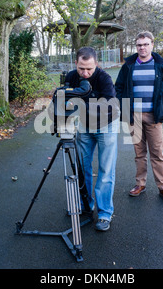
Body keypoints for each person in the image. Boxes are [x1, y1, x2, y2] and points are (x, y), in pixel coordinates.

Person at [115, 31, 163, 202]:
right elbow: (118, 87)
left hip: (153, 115)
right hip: (133, 116)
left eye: (145, 44)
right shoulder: (128, 65)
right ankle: (140, 184)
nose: (142, 47)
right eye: (139, 45)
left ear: (152, 45)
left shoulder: (161, 65)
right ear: (136, 46)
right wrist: (124, 105)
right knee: (139, 153)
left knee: (157, 153)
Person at [65, 47, 119, 231]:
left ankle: (104, 214)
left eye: (89, 68)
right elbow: (67, 100)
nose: (85, 73)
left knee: (105, 170)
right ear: (76, 64)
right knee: (82, 166)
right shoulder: (72, 77)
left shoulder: (104, 79)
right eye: (81, 68)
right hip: (84, 127)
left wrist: (81, 106)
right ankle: (85, 204)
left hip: (106, 125)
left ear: (96, 64)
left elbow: (108, 106)